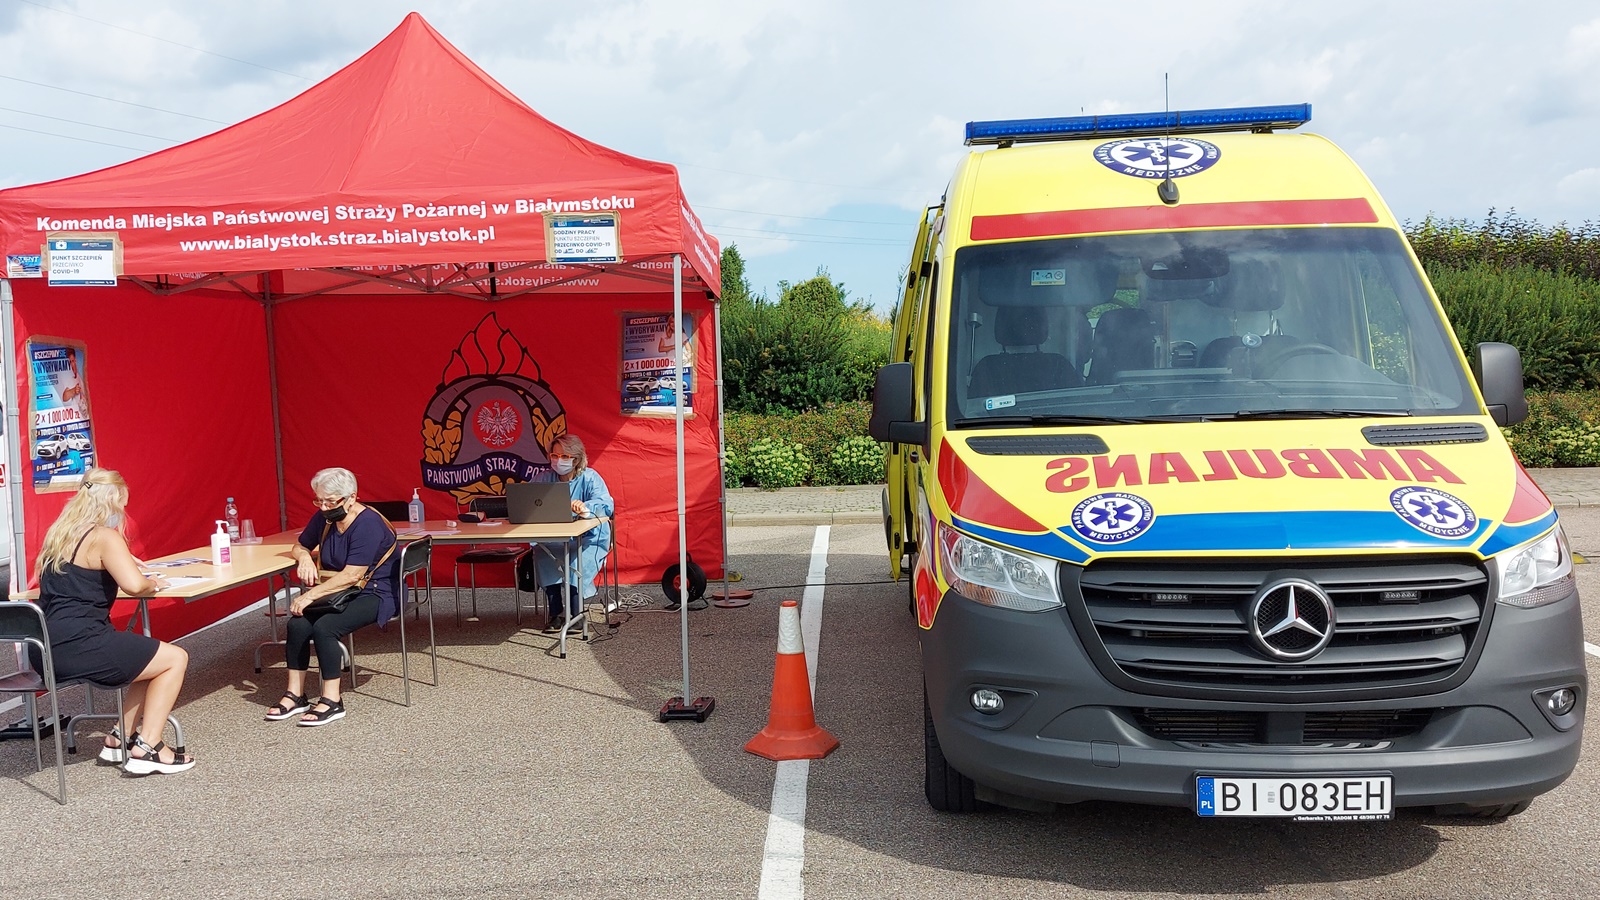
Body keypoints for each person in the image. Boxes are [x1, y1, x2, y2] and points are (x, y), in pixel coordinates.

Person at [34, 468, 194, 775]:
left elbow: (81, 572)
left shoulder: (58, 534)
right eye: (122, 505)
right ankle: (149, 747)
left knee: (149, 656)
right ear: (111, 502)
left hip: (45, 646)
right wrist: (152, 582)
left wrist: (123, 560)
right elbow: (134, 586)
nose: (122, 512)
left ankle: (119, 738)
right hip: (80, 642)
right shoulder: (104, 536)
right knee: (176, 658)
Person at [266, 467, 398, 726]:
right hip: (339, 591)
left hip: (374, 591)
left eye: (330, 501)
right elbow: (299, 545)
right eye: (319, 501)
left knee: (325, 627)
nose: (324, 507)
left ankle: (332, 700)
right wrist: (305, 557)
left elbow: (352, 575)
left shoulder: (368, 524)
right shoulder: (325, 517)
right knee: (297, 624)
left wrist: (309, 596)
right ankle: (295, 695)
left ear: (352, 498)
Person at [530, 434, 613, 633]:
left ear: (576, 459)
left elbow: (606, 504)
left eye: (565, 456)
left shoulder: (590, 477)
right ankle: (556, 613)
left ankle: (576, 613)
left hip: (589, 538)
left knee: (576, 562)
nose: (559, 461)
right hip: (555, 539)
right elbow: (527, 501)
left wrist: (585, 508)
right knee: (543, 555)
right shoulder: (543, 479)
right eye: (555, 455)